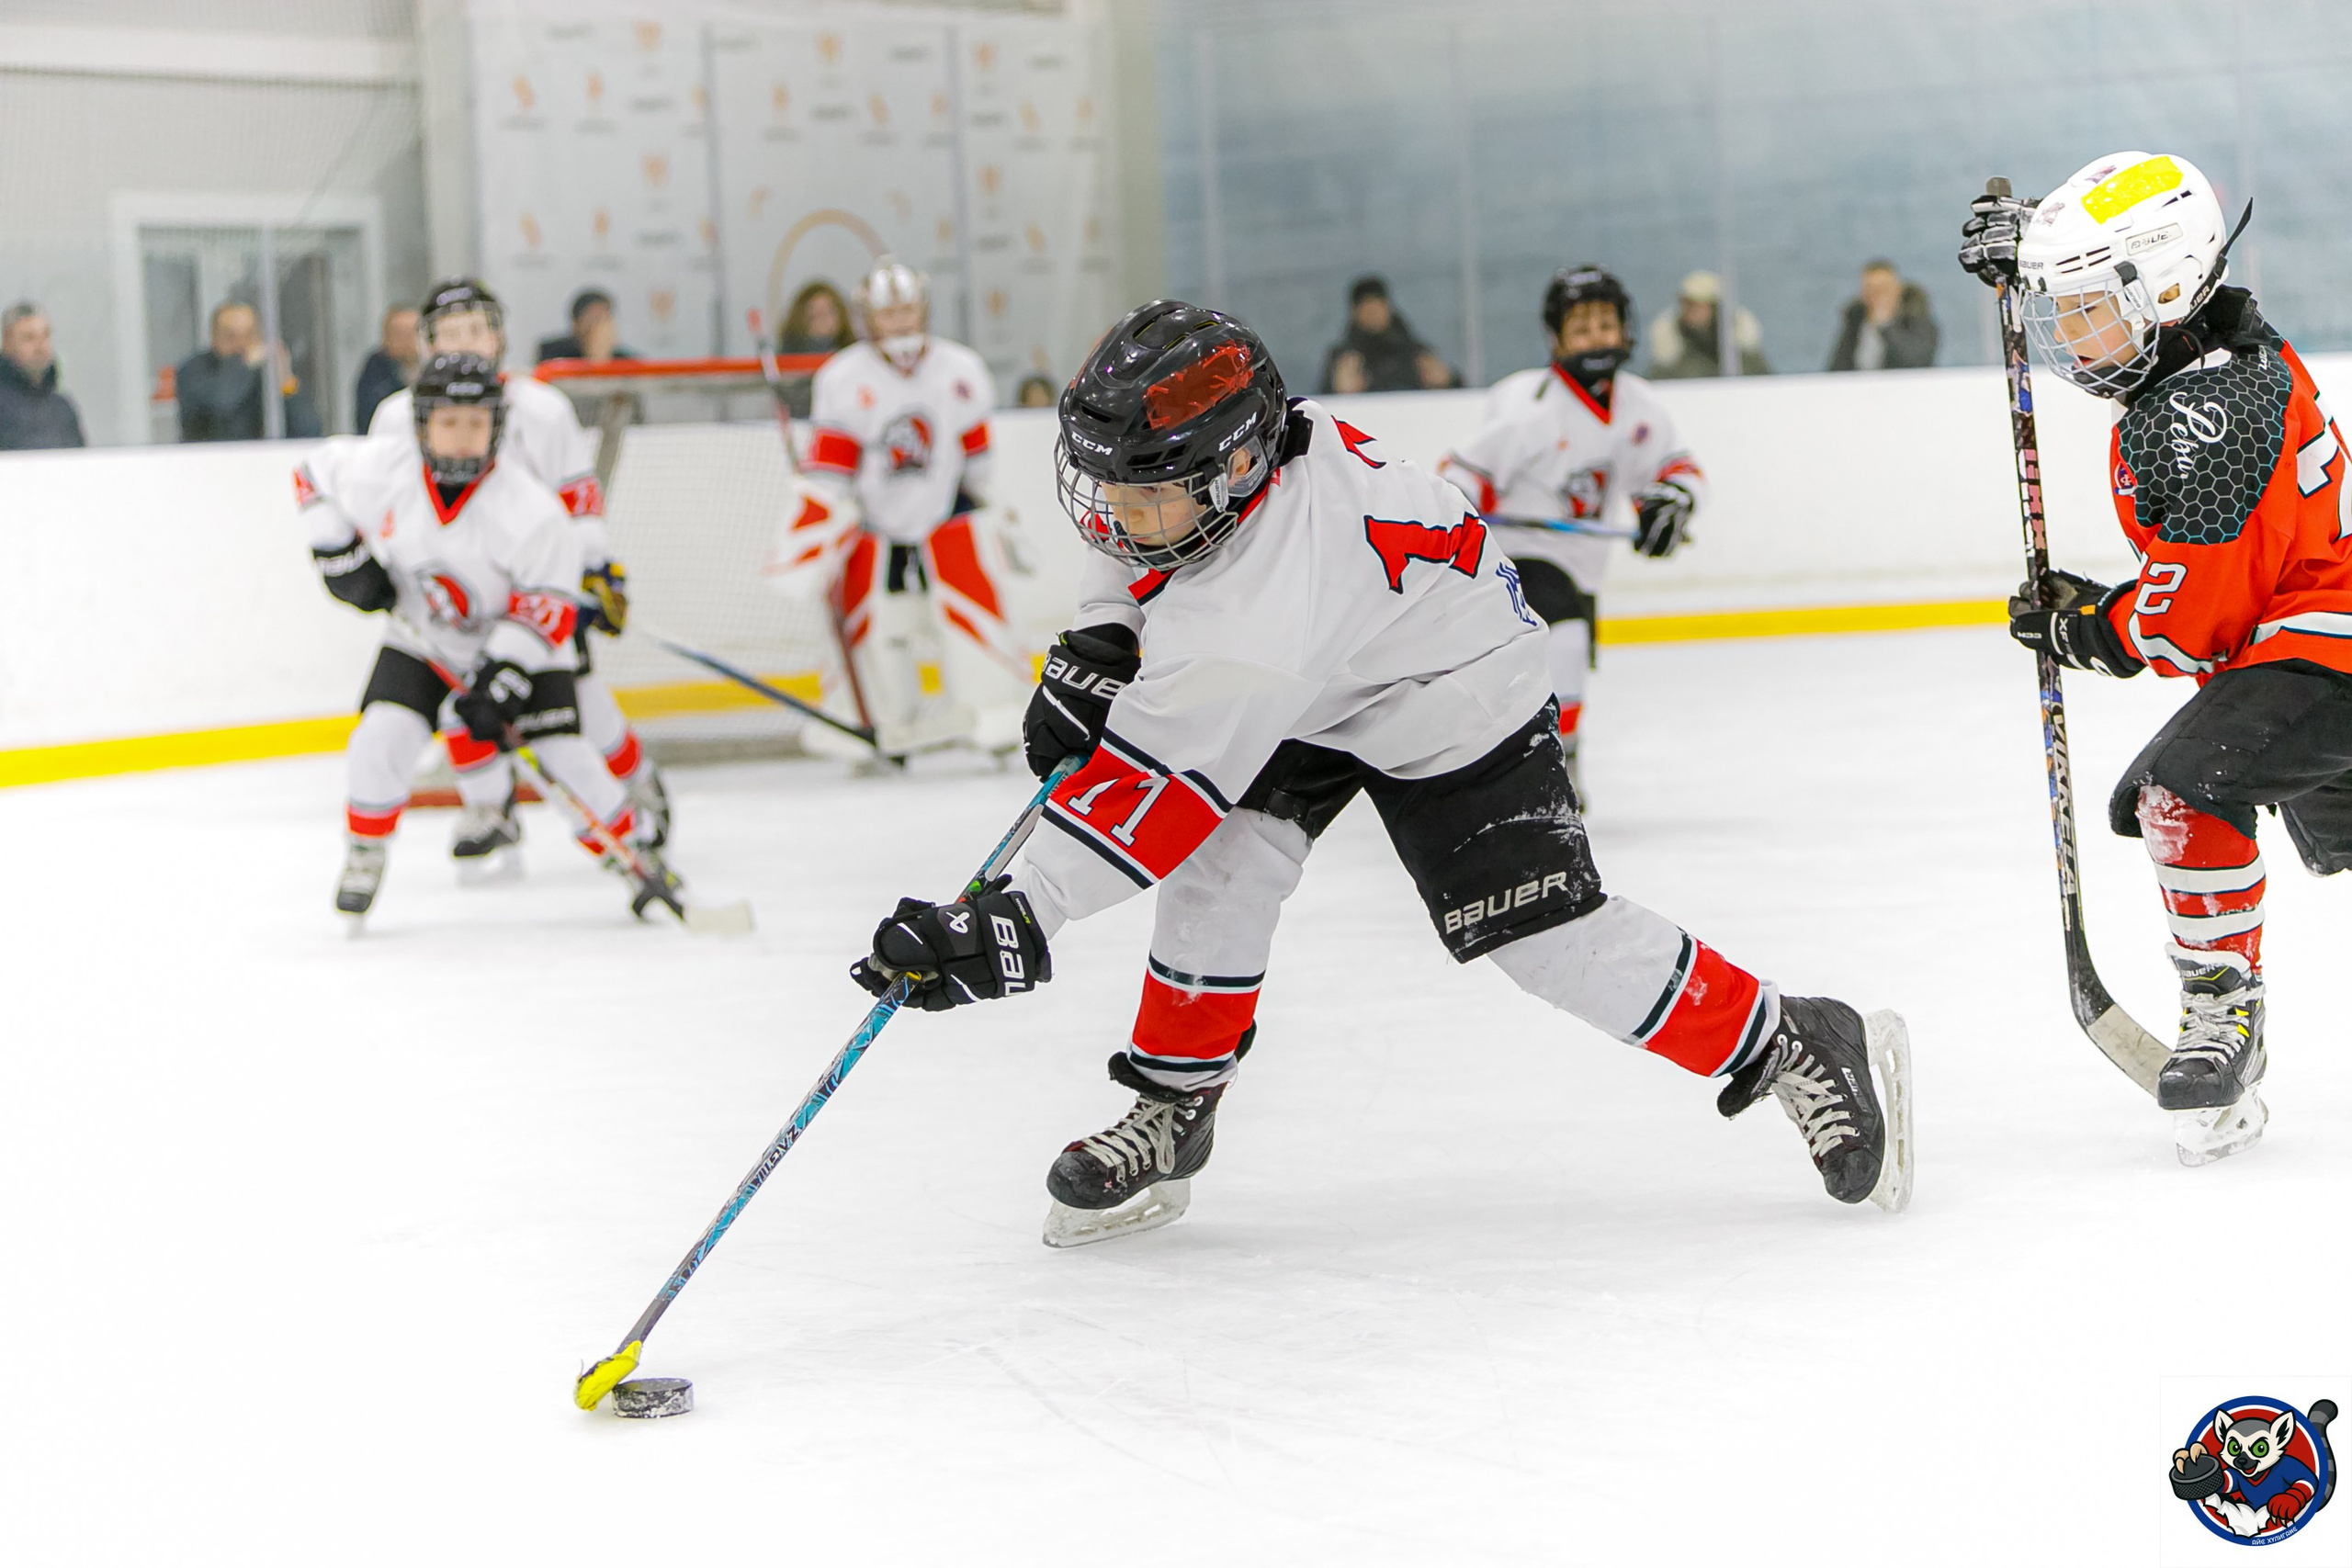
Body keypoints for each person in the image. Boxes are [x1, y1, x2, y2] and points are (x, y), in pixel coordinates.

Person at [849, 299, 1913, 1247]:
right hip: (1331, 666)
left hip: (1450, 692)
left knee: (1545, 940)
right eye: (1114, 489)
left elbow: (1150, 797)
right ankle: (1174, 1104)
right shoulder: (1219, 472)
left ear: (1233, 470)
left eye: (1148, 498)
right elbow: (1133, 529)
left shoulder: (1256, 610)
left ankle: (1790, 1039)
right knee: (1224, 870)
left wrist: (1009, 917)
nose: (1116, 519)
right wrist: (1101, 633)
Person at [1962, 149, 2345, 1166]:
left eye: (2087, 307)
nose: (2070, 336)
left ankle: (2223, 1016)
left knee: (2179, 794)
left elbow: (2188, 628)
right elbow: (2133, 217)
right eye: (2065, 306)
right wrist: (2039, 249)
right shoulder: (2210, 349)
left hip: (2325, 651)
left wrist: (2085, 627)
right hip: (2304, 643)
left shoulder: (2206, 418)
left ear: (2165, 290)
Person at [300, 353, 679, 923]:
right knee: (380, 738)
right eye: (448, 422)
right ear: (422, 424)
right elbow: (311, 474)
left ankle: (636, 857)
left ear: (497, 428)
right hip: (423, 636)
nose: (462, 438)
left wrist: (502, 675)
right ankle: (365, 850)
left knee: (566, 758)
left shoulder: (530, 510)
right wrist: (340, 556)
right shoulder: (382, 470)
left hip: (520, 647)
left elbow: (547, 606)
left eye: (476, 423)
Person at [371, 278, 668, 867]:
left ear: (499, 335)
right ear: (425, 345)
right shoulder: (394, 419)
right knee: (463, 698)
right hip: (455, 594)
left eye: (476, 330)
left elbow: (578, 503)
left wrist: (593, 569)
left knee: (579, 700)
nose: (466, 344)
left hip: (537, 588)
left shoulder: (541, 409)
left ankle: (638, 783)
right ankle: (491, 807)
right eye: (450, 334)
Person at [1434, 267, 1704, 795]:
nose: (1596, 338)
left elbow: (1678, 472)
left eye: (1605, 325)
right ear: (1556, 339)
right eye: (1582, 329)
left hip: (1579, 566)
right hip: (1516, 560)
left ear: (1626, 330)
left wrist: (1669, 504)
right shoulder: (1530, 406)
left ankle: (1552, 759)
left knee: (1564, 660)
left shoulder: (1637, 405)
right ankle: (1552, 765)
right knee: (1566, 642)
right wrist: (1461, 503)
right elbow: (1463, 473)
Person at [769, 256, 1025, 757]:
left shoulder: (961, 369)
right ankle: (871, 718)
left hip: (948, 518)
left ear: (923, 309)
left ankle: (994, 708)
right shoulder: (842, 377)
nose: (901, 323)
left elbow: (978, 465)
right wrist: (816, 538)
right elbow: (830, 474)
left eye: (908, 310)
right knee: (873, 630)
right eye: (889, 314)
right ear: (867, 317)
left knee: (973, 608)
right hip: (873, 526)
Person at [175, 303, 322, 440]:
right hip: (206, 461)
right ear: (215, 338)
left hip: (261, 459)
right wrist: (244, 364)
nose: (241, 344)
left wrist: (286, 380)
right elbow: (223, 403)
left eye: (249, 335)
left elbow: (309, 428)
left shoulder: (264, 372)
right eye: (231, 336)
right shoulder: (194, 370)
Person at [1320, 276, 1457, 393]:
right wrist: (1338, 391)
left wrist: (1446, 382)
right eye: (1366, 308)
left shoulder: (1417, 353)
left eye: (1377, 306)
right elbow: (1320, 406)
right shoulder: (1343, 358)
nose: (1373, 313)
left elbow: (1460, 393)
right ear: (1355, 313)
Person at [1644, 272, 1769, 379]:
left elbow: (1767, 386)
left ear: (1716, 310)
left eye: (1697, 305)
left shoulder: (1743, 356)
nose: (1690, 312)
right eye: (1686, 305)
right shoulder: (1671, 358)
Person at [0, 301, 85, 450]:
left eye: (45, 336)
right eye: (29, 338)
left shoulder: (62, 407)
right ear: (7, 343)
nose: (40, 347)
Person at [1827, 260, 1939, 372]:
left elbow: (1917, 361)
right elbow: (1838, 366)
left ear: (1897, 290)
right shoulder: (1855, 322)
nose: (1877, 295)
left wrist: (1885, 327)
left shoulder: (1917, 321)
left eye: (1883, 289)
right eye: (1870, 289)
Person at [774, 279, 854, 418]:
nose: (823, 320)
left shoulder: (854, 355)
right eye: (814, 315)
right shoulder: (787, 361)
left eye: (829, 312)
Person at [354, 305, 420, 432]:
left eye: (413, 332)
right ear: (387, 337)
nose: (408, 340)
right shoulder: (376, 370)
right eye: (400, 334)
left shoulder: (434, 366)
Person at [536, 288, 633, 364]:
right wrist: (594, 355)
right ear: (576, 323)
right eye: (593, 318)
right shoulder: (553, 353)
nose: (599, 326)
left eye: (605, 319)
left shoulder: (626, 360)